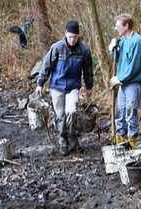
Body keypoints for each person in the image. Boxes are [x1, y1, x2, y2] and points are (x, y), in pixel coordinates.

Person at [35, 20, 94, 156]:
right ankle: (62, 139)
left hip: (73, 86)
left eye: (75, 37)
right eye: (70, 36)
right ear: (65, 33)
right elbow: (46, 66)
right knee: (60, 115)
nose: (72, 40)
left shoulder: (84, 50)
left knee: (71, 112)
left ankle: (72, 135)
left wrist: (89, 86)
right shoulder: (57, 48)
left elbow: (88, 70)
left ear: (78, 36)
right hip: (57, 86)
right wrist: (40, 83)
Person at [109, 13, 141, 149]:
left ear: (126, 26)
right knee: (121, 112)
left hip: (133, 83)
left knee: (131, 112)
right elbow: (117, 58)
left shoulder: (137, 42)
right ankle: (120, 138)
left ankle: (132, 141)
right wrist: (113, 48)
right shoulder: (124, 40)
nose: (116, 28)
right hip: (123, 84)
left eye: (118, 25)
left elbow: (134, 67)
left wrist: (119, 79)